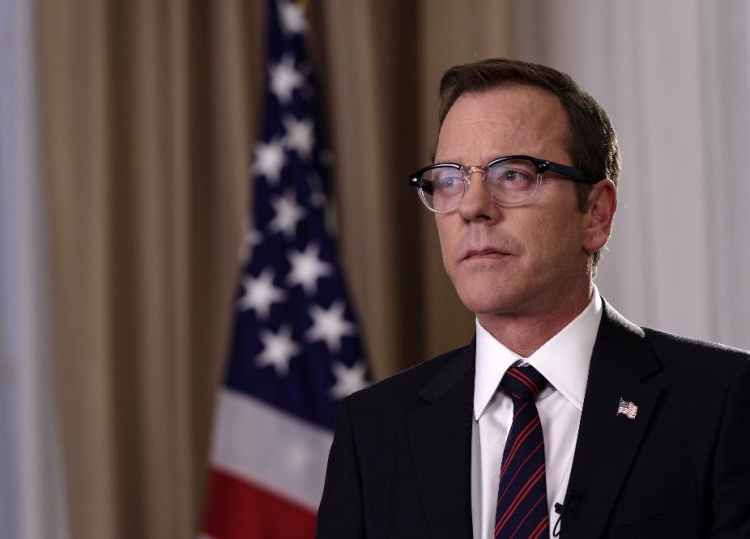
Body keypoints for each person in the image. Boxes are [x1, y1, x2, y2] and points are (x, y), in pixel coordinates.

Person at [316, 58, 750, 539]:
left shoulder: (723, 401)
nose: (473, 208)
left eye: (513, 175)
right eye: (451, 179)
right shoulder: (373, 429)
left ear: (596, 214)